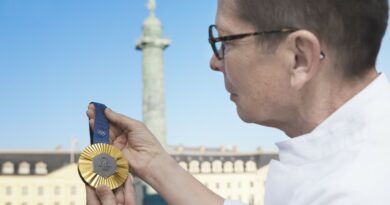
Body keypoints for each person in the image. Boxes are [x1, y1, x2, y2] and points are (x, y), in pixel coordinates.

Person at [87, 0, 389, 204]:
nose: (214, 62)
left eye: (225, 41)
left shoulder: (354, 191)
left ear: (299, 58)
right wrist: (154, 163)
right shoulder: (355, 159)